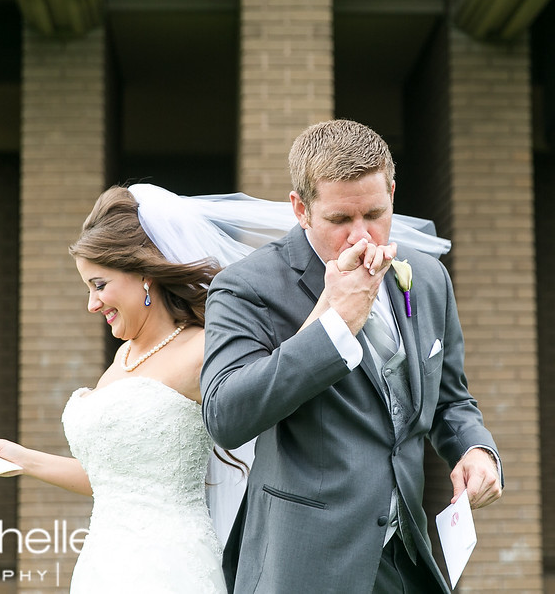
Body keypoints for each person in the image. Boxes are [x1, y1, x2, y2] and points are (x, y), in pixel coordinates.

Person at [200, 119, 504, 593]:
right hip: (302, 564)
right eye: (340, 220)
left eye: (375, 214)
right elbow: (226, 415)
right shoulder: (247, 288)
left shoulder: (427, 279)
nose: (362, 237)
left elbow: (450, 400)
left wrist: (475, 449)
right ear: (300, 209)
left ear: (392, 194)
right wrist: (334, 325)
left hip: (408, 560)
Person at [0, 185, 228, 593]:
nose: (92, 304)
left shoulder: (202, 348)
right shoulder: (122, 359)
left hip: (169, 567)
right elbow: (114, 480)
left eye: (99, 285)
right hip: (102, 566)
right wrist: (20, 459)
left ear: (144, 274)